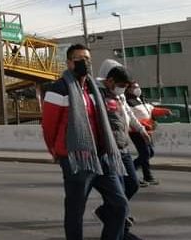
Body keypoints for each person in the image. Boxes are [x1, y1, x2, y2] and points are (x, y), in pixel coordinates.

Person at [42, 44, 129, 240]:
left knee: (119, 204)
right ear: (70, 63)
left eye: (88, 58)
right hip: (76, 159)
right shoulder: (59, 89)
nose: (86, 62)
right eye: (81, 59)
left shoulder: (94, 88)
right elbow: (48, 127)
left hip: (101, 156)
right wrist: (55, 151)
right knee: (75, 210)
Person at [98, 60, 150, 240]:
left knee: (132, 185)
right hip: (109, 152)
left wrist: (142, 130)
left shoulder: (119, 97)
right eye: (121, 85)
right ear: (109, 80)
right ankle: (121, 230)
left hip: (124, 148)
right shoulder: (98, 96)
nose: (123, 89)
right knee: (118, 196)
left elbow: (129, 114)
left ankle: (107, 213)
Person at [125, 82, 170, 187]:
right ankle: (129, 173)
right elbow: (131, 119)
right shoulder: (128, 102)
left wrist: (164, 111)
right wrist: (144, 126)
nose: (137, 89)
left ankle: (148, 176)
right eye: (134, 87)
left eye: (138, 86)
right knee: (147, 154)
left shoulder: (142, 100)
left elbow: (152, 110)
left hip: (147, 131)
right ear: (128, 89)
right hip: (136, 132)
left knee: (146, 154)